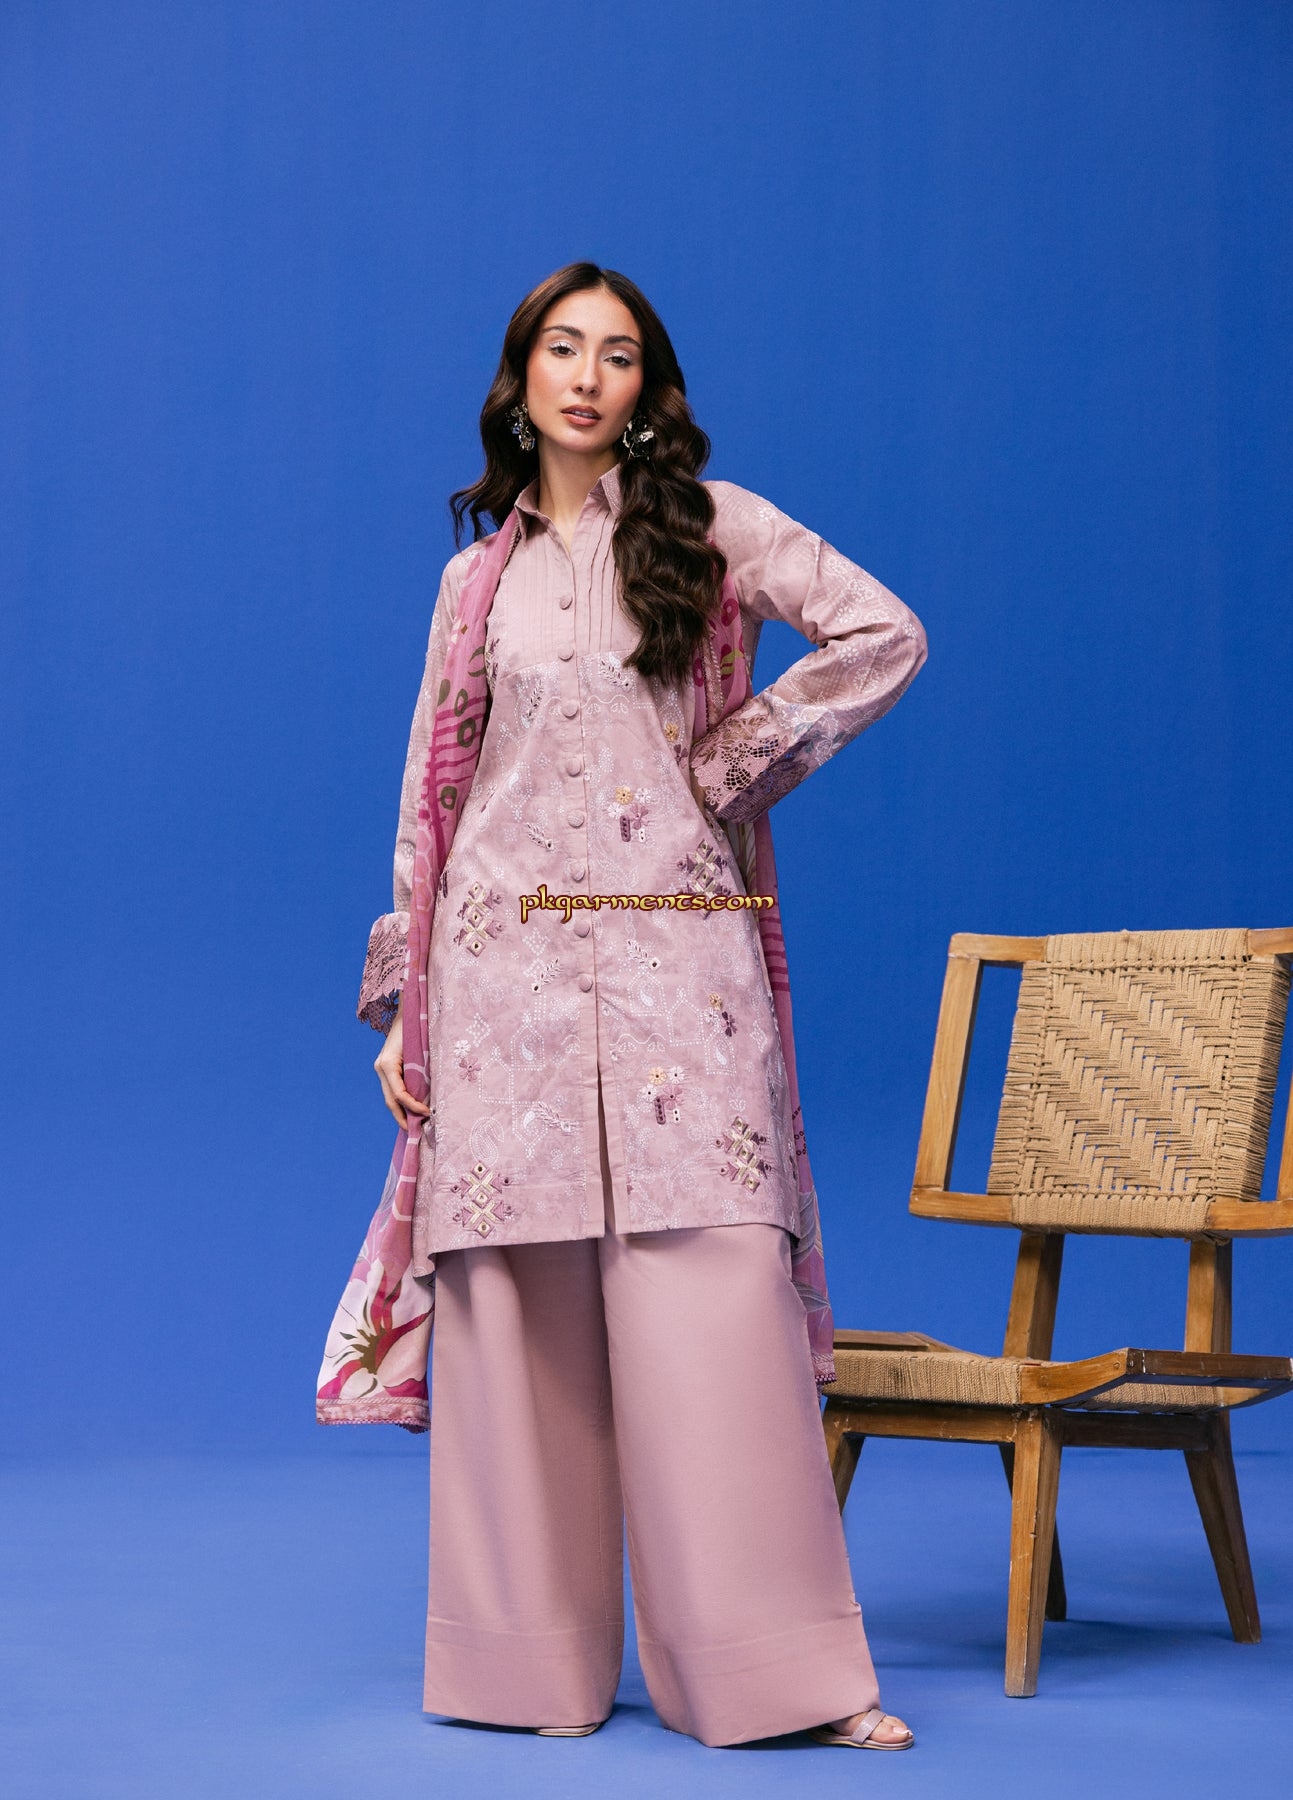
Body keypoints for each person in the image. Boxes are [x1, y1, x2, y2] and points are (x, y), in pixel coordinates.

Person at [359, 263, 926, 1750]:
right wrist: (409, 1010)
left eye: (616, 355)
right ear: (520, 380)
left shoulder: (711, 529)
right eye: (562, 349)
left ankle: (782, 1678)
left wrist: (735, 763)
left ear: (646, 390)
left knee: (714, 1309)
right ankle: (524, 1674)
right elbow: (431, 802)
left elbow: (882, 634)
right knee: (514, 1327)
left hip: (682, 977)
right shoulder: (472, 587)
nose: (586, 375)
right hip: (505, 991)